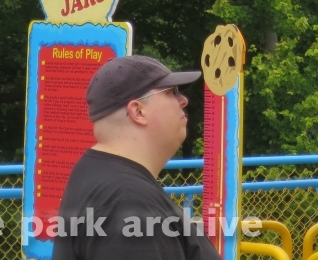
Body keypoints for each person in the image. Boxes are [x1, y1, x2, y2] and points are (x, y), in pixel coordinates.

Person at [51, 55, 223, 260]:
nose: (183, 100)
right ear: (138, 111)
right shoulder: (128, 201)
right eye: (172, 92)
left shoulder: (98, 174)